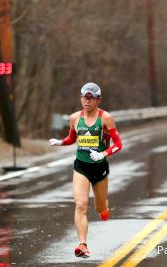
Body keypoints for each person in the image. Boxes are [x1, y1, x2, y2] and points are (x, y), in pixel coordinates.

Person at [48, 82, 122, 258]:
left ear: (98, 99)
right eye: (84, 97)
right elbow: (72, 138)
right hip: (81, 166)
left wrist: (103, 154)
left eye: (90, 97)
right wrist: (60, 142)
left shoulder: (106, 119)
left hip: (100, 168)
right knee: (80, 205)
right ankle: (82, 245)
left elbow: (119, 145)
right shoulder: (75, 118)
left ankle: (104, 208)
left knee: (100, 207)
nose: (87, 101)